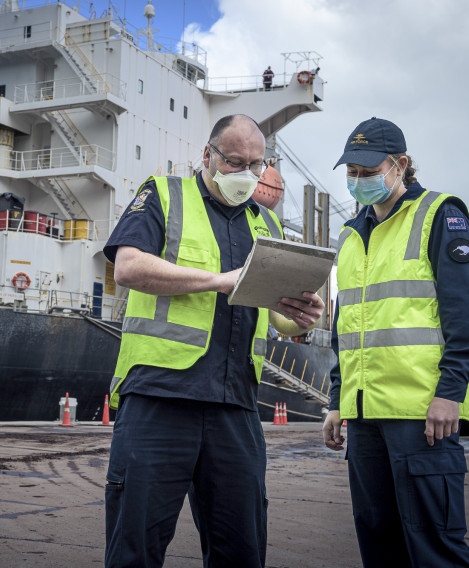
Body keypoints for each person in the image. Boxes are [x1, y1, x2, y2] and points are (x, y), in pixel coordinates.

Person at [104, 113, 324, 568]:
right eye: (234, 162)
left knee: (241, 552)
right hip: (160, 397)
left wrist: (301, 318)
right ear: (208, 155)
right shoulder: (164, 194)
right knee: (135, 551)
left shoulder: (267, 226)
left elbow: (276, 315)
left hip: (235, 405)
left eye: (257, 165)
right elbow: (127, 267)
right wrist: (217, 280)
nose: (246, 174)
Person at [322, 117, 469, 568]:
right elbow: (349, 328)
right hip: (365, 417)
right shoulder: (350, 233)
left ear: (400, 165)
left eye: (368, 171)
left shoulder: (440, 215)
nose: (359, 180)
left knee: (434, 547)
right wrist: (336, 399)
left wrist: (449, 393)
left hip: (422, 416)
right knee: (378, 542)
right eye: (352, 172)